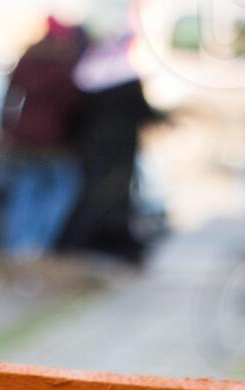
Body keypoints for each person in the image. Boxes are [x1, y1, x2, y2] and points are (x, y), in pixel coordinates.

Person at [64, 31, 161, 262]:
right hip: (118, 147)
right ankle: (101, 242)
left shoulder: (89, 72)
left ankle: (91, 242)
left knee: (97, 193)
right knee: (110, 196)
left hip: (94, 145)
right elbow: (141, 110)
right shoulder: (123, 76)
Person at [0, 16, 84, 261]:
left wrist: (6, 130)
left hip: (23, 139)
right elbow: (73, 105)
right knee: (62, 192)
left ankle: (16, 246)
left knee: (24, 192)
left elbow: (9, 98)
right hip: (55, 142)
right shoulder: (65, 65)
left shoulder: (28, 60)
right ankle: (40, 245)